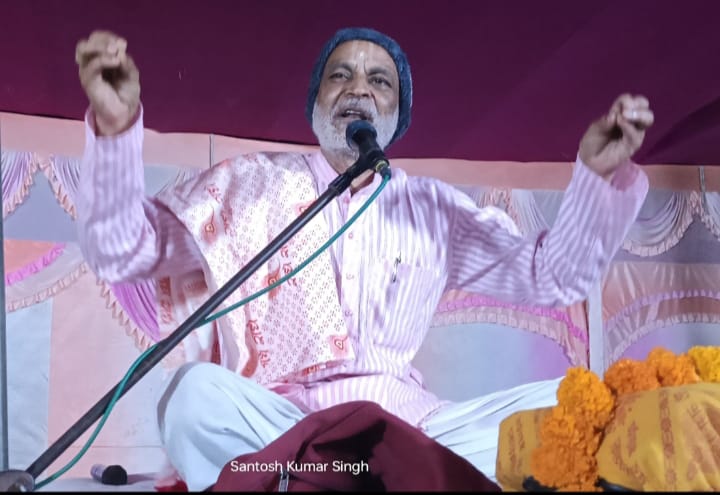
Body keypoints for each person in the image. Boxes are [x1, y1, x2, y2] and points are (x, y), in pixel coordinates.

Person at [74, 27, 653, 490]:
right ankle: (338, 480)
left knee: (564, 403)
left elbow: (551, 276)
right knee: (193, 395)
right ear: (315, 102)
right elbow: (123, 250)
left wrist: (597, 180)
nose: (359, 89)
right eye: (340, 75)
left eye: (380, 81)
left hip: (411, 431)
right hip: (283, 429)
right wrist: (115, 132)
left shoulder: (432, 209)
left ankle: (348, 481)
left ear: (398, 114)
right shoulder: (248, 185)